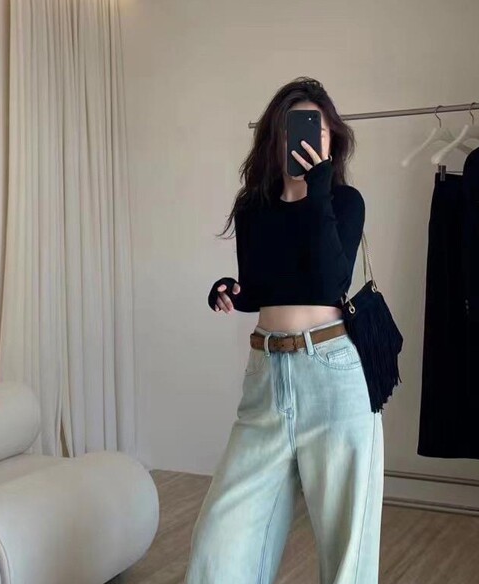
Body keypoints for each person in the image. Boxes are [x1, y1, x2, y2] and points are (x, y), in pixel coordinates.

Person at [184, 77, 383, 584]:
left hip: (333, 373)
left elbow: (330, 282)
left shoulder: (345, 202)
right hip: (265, 378)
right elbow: (260, 288)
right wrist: (229, 292)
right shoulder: (253, 207)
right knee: (219, 542)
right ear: (277, 138)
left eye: (319, 129)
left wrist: (317, 192)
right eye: (298, 129)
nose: (310, 139)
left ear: (332, 139)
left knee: (347, 552)